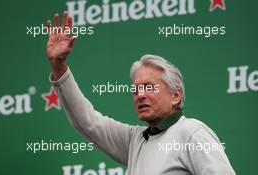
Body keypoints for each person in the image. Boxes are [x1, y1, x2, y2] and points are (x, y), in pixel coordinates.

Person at [46, 11, 236, 175]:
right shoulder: (135, 140)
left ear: (175, 96)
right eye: (136, 90)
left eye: (149, 87)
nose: (140, 95)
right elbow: (87, 122)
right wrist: (59, 66)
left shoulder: (191, 132)